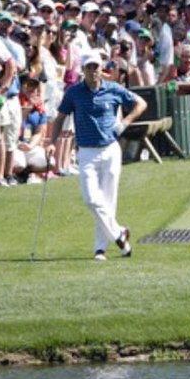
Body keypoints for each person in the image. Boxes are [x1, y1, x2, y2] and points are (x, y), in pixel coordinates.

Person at [49, 53, 147, 261]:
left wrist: (125, 122)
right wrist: (52, 142)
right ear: (82, 70)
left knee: (108, 201)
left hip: (110, 149)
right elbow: (60, 118)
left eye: (96, 67)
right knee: (91, 199)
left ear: (101, 68)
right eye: (88, 67)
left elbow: (141, 104)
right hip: (86, 152)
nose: (93, 71)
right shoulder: (74, 92)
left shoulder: (112, 88)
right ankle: (119, 234)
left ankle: (100, 249)